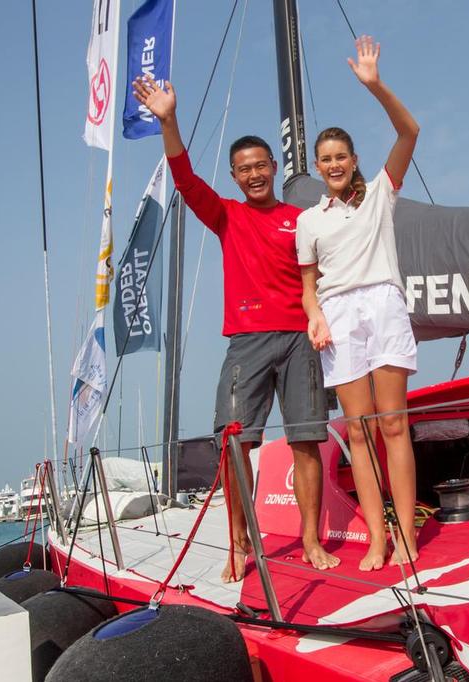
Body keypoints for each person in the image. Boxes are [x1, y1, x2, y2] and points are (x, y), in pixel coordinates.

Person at [132, 74, 340, 582]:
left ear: (274, 168)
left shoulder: (303, 218)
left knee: (306, 440)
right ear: (235, 175)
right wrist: (169, 120)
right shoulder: (226, 216)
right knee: (234, 444)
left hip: (298, 339)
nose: (254, 175)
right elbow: (184, 180)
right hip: (246, 342)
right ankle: (240, 544)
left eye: (260, 166)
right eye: (243, 170)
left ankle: (311, 539)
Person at [296, 36, 421, 571]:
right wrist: (314, 315)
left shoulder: (380, 194)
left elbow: (409, 131)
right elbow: (307, 285)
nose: (333, 164)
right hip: (338, 315)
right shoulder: (309, 221)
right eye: (324, 159)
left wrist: (374, 86)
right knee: (359, 431)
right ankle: (377, 539)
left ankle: (409, 539)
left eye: (341, 156)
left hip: (384, 304)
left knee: (394, 423)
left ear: (354, 159)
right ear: (318, 166)